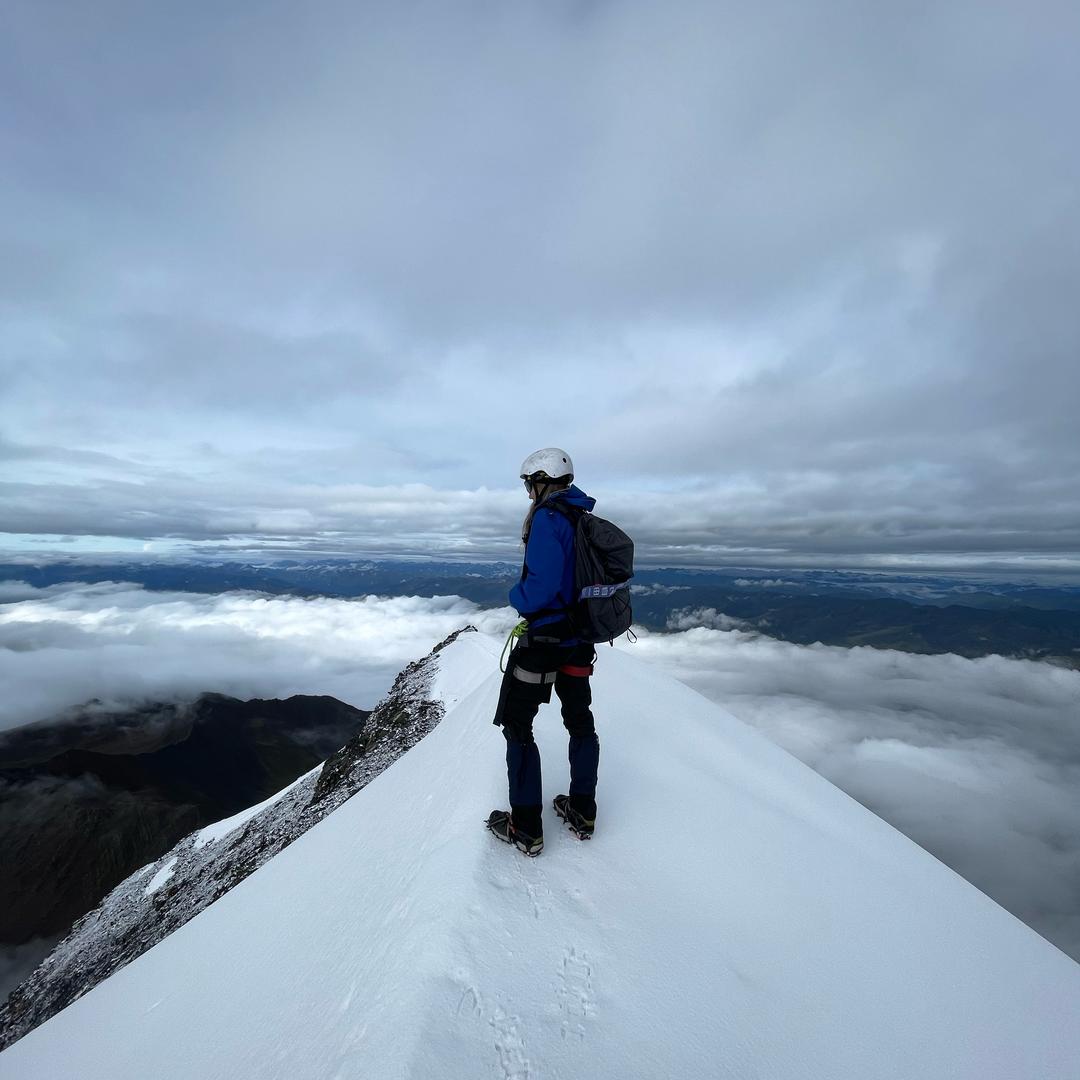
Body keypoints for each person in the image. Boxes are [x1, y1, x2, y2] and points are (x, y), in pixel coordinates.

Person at [486, 448, 600, 857]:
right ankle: (583, 810)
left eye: (529, 483)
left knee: (518, 726)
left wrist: (516, 595)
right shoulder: (581, 519)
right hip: (579, 637)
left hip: (545, 639)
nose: (528, 491)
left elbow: (542, 585)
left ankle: (526, 827)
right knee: (580, 721)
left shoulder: (547, 520)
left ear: (541, 480)